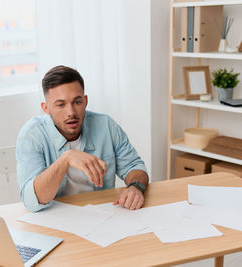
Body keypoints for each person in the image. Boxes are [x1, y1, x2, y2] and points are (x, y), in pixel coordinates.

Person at [17, 65, 149, 212]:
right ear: (46, 108)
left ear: (85, 101)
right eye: (61, 105)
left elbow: (134, 166)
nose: (71, 112)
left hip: (101, 214)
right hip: (54, 218)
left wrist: (136, 187)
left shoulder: (105, 125)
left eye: (77, 102)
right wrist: (66, 159)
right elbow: (31, 201)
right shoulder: (31, 135)